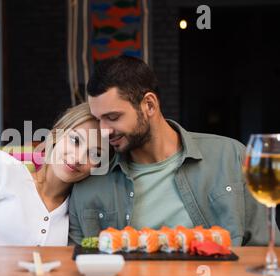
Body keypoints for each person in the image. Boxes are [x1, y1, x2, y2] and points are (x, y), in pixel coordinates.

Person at [68, 55, 280, 246]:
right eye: (98, 120)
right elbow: (78, 268)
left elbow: (264, 249)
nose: (103, 131)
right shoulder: (90, 181)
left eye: (113, 118)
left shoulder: (231, 156)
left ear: (149, 105)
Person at [0, 103, 103, 246]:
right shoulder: (1, 167)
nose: (78, 158)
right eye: (75, 140)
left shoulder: (78, 211)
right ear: (56, 135)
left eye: (95, 154)